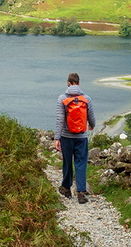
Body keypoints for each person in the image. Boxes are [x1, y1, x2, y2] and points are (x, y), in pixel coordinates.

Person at [54, 72, 96, 204]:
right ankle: (81, 192)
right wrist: (92, 125)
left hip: (66, 136)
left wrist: (57, 138)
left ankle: (66, 188)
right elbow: (91, 116)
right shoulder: (86, 99)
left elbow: (60, 120)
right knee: (81, 163)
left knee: (67, 162)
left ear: (68, 83)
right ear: (79, 83)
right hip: (81, 137)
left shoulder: (62, 98)